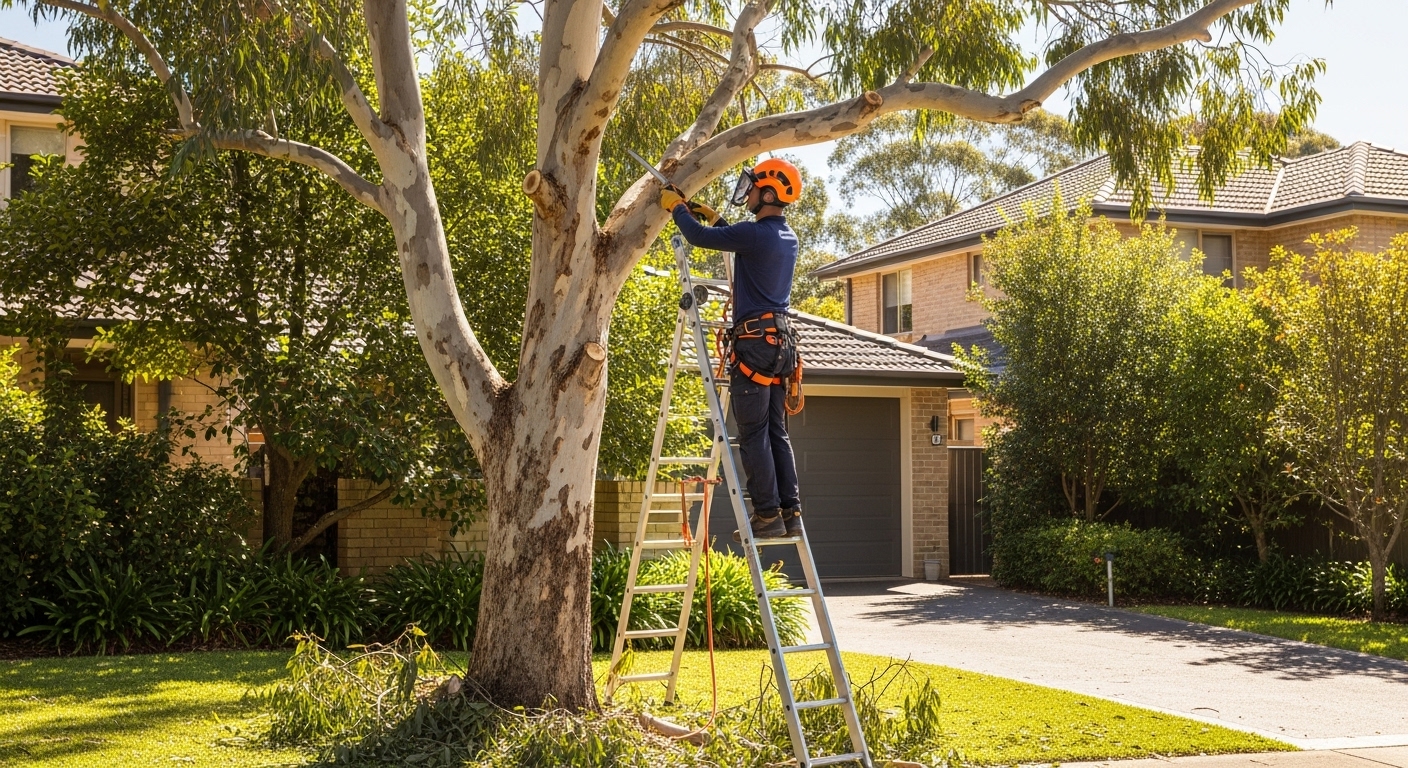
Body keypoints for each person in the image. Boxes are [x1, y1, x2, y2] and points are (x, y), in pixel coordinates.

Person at [660, 158, 804, 541]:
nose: (749, 191)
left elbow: (700, 239)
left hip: (756, 346)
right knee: (776, 431)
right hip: (781, 345)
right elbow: (737, 237)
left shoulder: (756, 236)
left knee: (754, 432)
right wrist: (712, 215)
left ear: (769, 191)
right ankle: (790, 512)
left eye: (754, 185)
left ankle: (767, 516)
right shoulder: (784, 236)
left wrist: (676, 208)